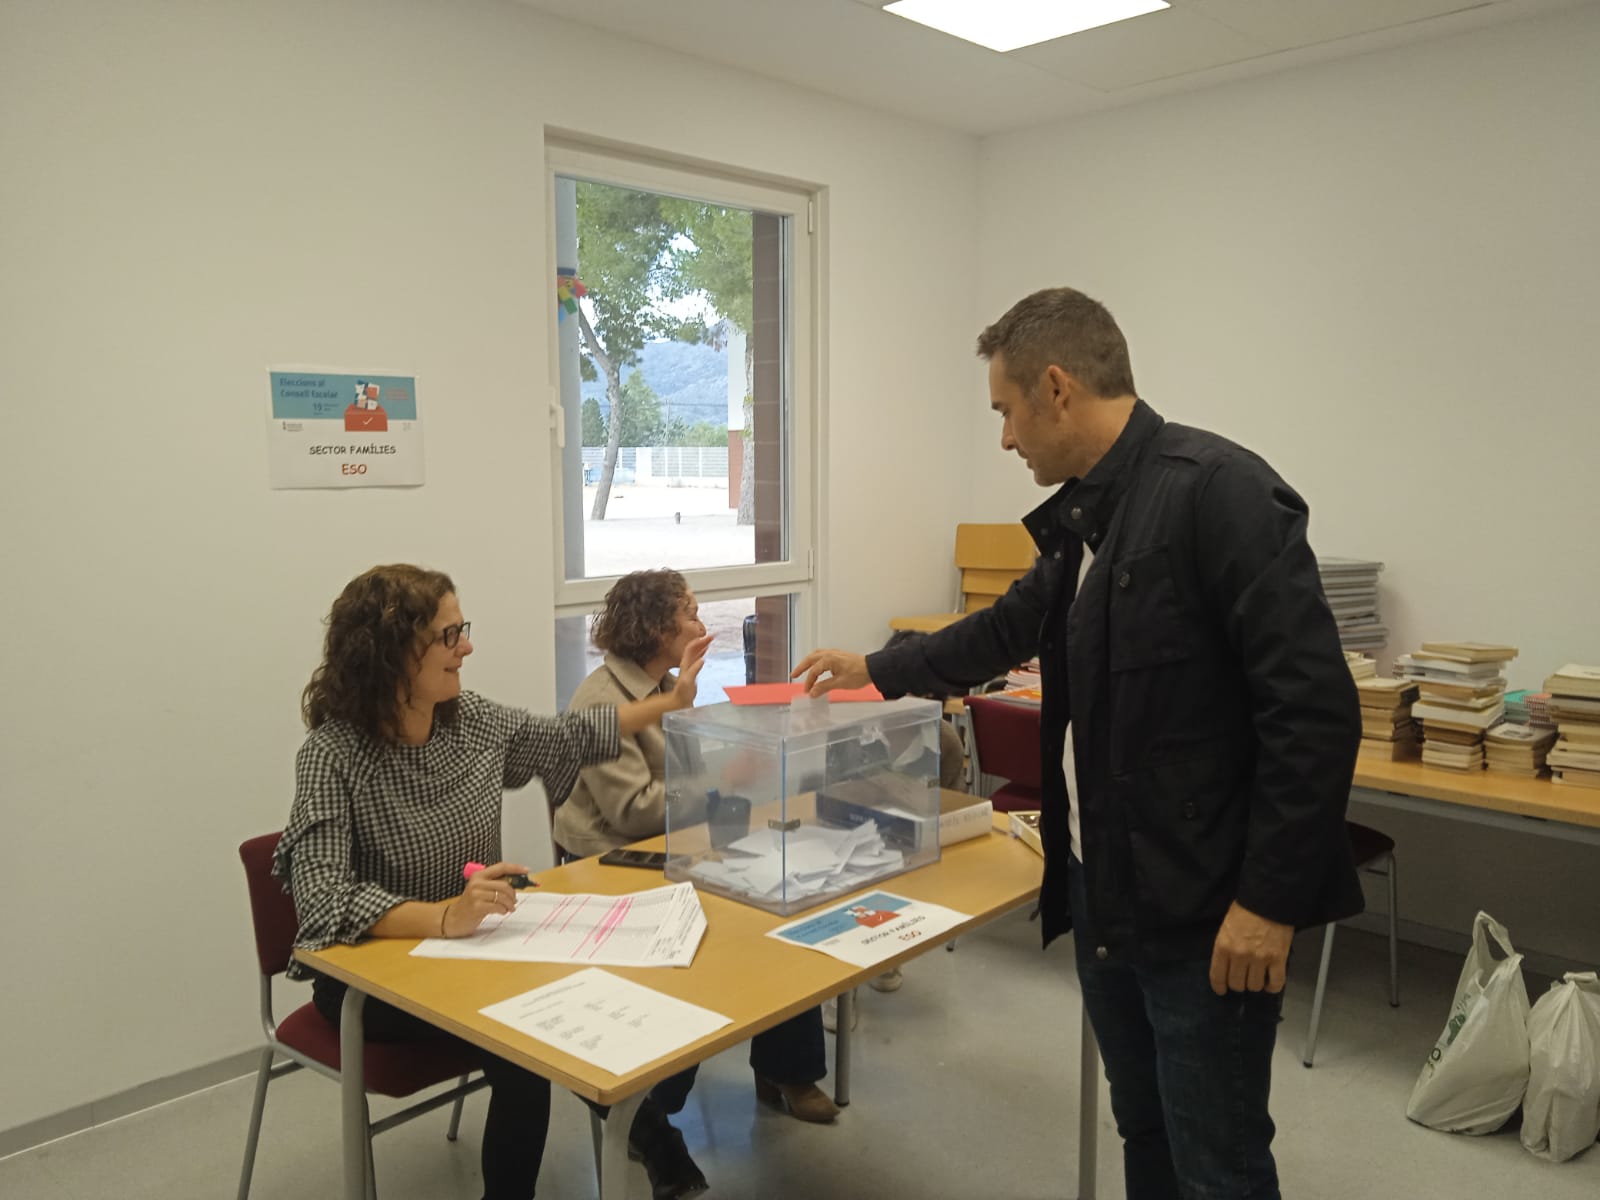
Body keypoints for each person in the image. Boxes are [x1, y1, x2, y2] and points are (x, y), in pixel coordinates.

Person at [793, 288, 1363, 1200]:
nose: (1005, 439)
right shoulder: (1082, 522)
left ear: (1056, 388)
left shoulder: (1221, 494)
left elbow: (1314, 714)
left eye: (1006, 412)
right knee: (1144, 1130)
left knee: (1217, 1161)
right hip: (1106, 892)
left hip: (1204, 910)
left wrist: (1268, 903)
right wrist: (876, 667)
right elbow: (1000, 631)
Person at [273, 563, 710, 1200]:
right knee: (525, 1046)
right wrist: (444, 916)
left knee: (575, 1001)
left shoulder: (470, 721)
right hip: (372, 980)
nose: (468, 647)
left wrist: (669, 703)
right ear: (392, 651)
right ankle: (646, 1140)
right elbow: (321, 899)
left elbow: (567, 735)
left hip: (480, 953)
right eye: (450, 635)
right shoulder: (332, 754)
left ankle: (645, 1130)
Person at [555, 570, 840, 1192]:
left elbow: (693, 773)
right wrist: (727, 781)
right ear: (657, 629)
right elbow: (632, 812)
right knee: (717, 944)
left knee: (779, 907)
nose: (700, 622)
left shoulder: (667, 684)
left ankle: (787, 1069)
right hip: (613, 865)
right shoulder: (604, 701)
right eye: (688, 612)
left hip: (675, 844)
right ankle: (649, 1106)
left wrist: (743, 762)